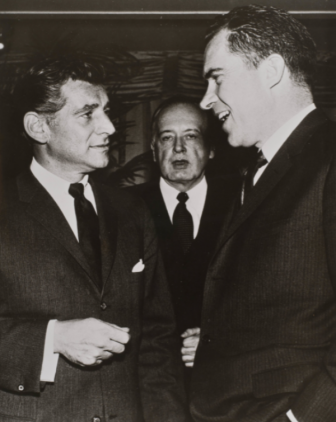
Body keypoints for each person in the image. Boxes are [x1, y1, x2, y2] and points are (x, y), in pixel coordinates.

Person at [0, 57, 187, 422]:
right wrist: (51, 339)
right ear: (39, 127)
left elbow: (157, 338)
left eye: (107, 111)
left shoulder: (132, 211)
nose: (110, 127)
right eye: (88, 114)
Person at [190, 5, 336, 422]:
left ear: (270, 70)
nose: (206, 100)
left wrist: (302, 417)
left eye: (217, 78)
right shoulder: (255, 170)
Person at [127, 97, 239, 386]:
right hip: (147, 381)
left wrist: (219, 337)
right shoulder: (123, 209)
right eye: (167, 137)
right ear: (153, 150)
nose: (178, 148)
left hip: (227, 378)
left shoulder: (243, 202)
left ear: (211, 148)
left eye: (190, 135)